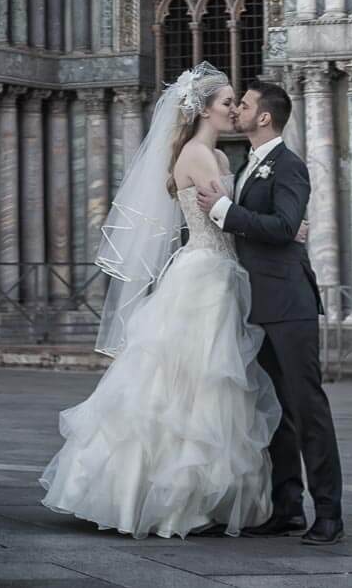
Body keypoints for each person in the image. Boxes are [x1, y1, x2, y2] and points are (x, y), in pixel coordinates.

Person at [39, 65, 280, 538]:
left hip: (215, 270)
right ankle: (178, 502)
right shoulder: (199, 156)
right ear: (204, 109)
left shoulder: (212, 156)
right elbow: (226, 219)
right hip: (205, 273)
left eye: (235, 102)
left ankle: (198, 497)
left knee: (206, 383)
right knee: (198, 382)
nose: (234, 109)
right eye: (227, 101)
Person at [197, 79, 344, 545]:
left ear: (264, 117)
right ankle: (287, 507)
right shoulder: (245, 165)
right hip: (254, 303)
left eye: (244, 104)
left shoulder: (289, 166)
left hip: (289, 304)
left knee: (307, 409)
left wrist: (225, 210)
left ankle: (329, 514)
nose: (236, 109)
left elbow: (283, 227)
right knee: (276, 411)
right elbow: (279, 228)